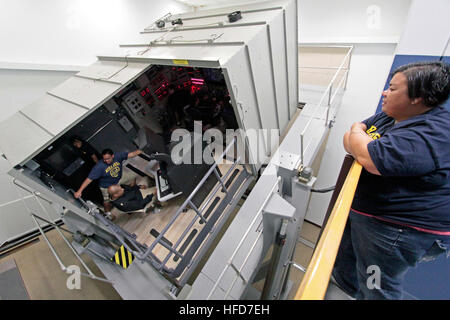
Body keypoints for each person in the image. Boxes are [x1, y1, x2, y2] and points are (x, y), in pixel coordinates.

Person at [333, 61, 450, 299]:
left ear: (418, 97)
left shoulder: (433, 132)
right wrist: (359, 139)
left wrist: (360, 138)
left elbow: (370, 158)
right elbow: (350, 138)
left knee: (376, 284)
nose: (384, 93)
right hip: (367, 214)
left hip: (395, 229)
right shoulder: (392, 115)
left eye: (393, 89)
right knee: (346, 266)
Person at [74, 148, 143, 212]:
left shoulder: (118, 156)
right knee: (107, 202)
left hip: (119, 178)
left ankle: (133, 195)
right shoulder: (99, 166)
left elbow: (131, 154)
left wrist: (141, 150)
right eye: (104, 159)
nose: (106, 161)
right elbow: (89, 179)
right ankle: (108, 213)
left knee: (132, 178)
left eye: (108, 159)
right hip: (106, 185)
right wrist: (79, 191)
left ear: (112, 156)